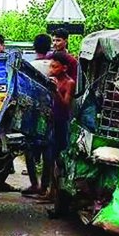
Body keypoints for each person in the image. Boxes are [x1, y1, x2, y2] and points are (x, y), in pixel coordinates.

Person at [40, 51, 76, 202]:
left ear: (64, 68)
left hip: (61, 123)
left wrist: (55, 90)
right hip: (50, 121)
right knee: (49, 158)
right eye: (51, 66)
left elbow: (66, 104)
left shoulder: (69, 83)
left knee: (59, 159)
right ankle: (49, 191)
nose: (51, 70)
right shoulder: (52, 80)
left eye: (55, 67)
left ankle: (56, 193)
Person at [21, 33, 54, 196]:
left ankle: (34, 183)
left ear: (34, 47)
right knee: (48, 147)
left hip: (33, 112)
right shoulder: (54, 66)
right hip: (51, 112)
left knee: (29, 147)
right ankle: (45, 185)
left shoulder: (29, 66)